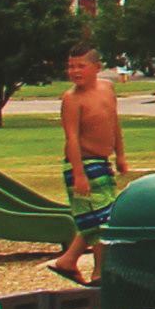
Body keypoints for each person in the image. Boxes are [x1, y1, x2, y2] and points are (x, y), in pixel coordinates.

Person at [50, 48, 126, 286]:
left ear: (96, 67)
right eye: (71, 66)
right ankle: (99, 273)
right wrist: (79, 174)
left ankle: (68, 261)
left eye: (80, 66)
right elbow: (71, 138)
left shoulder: (106, 88)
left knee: (98, 218)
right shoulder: (72, 99)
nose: (74, 71)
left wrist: (121, 155)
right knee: (102, 222)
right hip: (83, 163)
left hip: (102, 162)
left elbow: (114, 122)